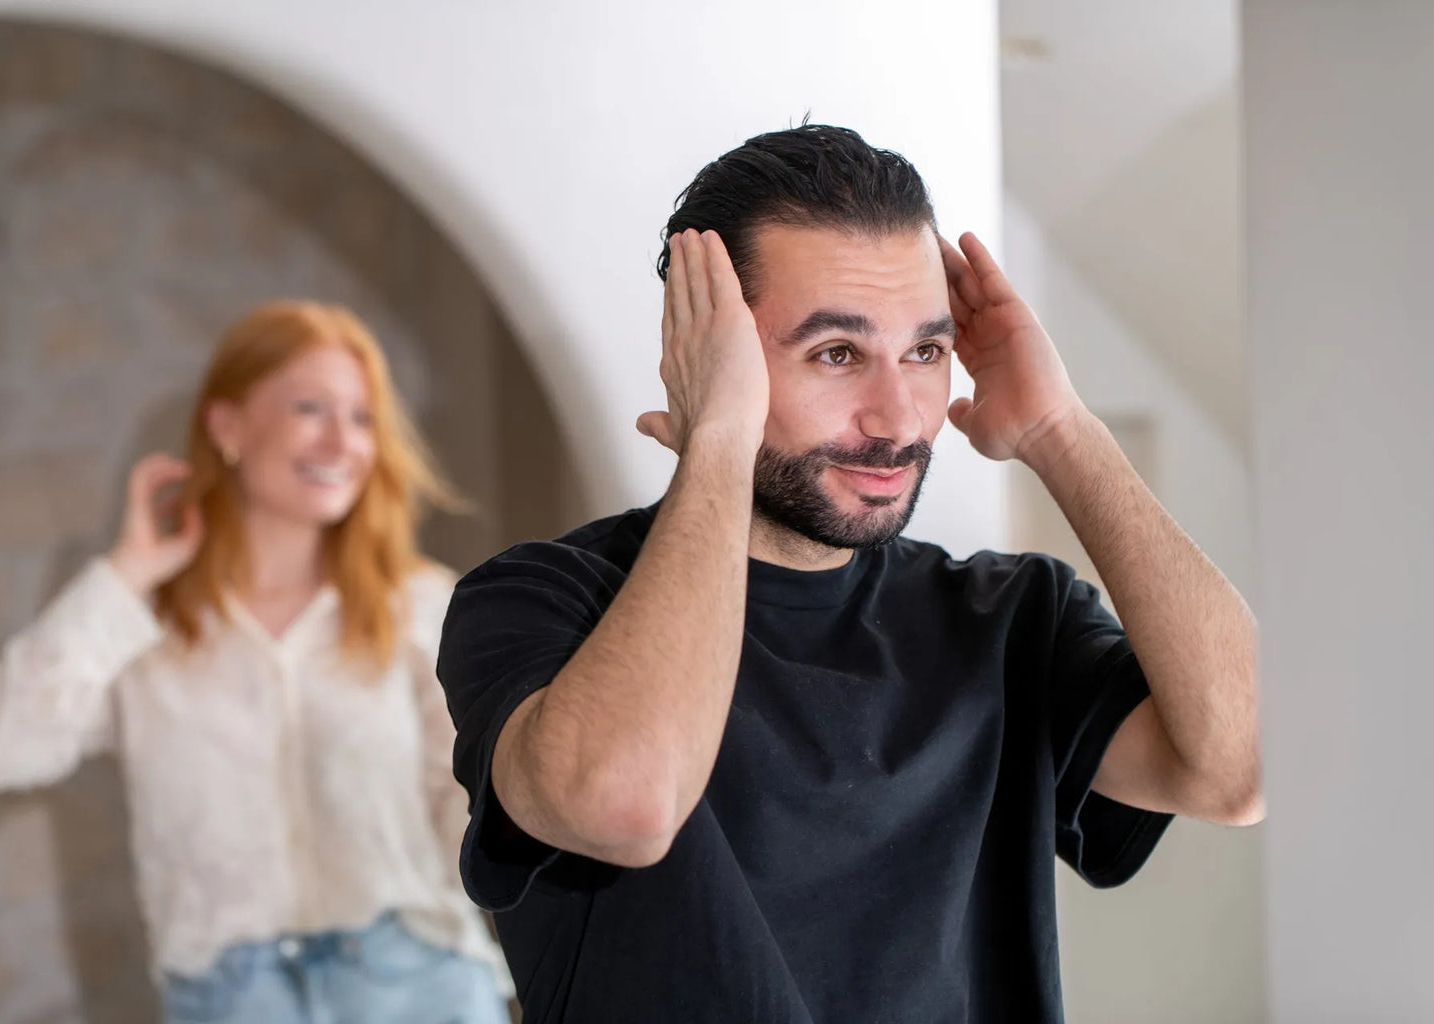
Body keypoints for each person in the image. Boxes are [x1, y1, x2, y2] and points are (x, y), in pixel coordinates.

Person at [435, 126, 1262, 1023]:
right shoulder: (538, 602)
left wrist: (1061, 429)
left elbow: (1240, 771)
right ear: (705, 352)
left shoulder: (1011, 617)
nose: (900, 415)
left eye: (925, 351)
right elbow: (624, 804)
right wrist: (715, 436)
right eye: (836, 353)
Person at [0, 301, 513, 1024]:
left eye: (364, 417)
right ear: (228, 427)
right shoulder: (142, 624)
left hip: (420, 979)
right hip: (230, 996)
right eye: (311, 408)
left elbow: (464, 803)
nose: (343, 440)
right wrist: (125, 574)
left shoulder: (417, 602)